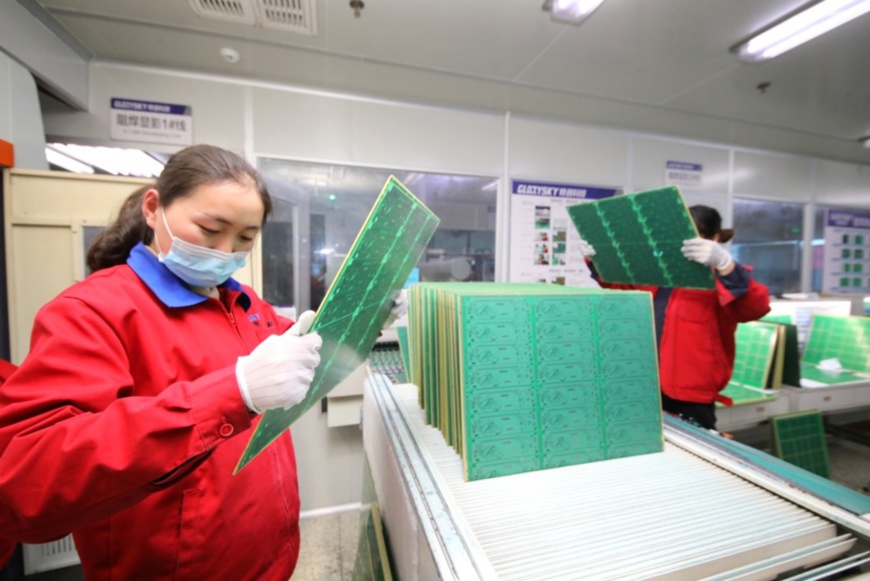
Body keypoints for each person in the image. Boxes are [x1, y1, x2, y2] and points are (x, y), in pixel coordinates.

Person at [0, 145, 405, 580]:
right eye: (211, 229)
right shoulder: (93, 312)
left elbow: (310, 342)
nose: (225, 251)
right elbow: (25, 480)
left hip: (268, 562)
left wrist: (366, 314)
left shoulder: (245, 303)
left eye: (246, 238)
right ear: (154, 209)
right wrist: (233, 394)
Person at [580, 205, 770, 431]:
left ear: (714, 239)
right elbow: (620, 287)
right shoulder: (659, 273)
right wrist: (599, 259)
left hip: (690, 394)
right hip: (646, 384)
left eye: (695, 237)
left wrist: (725, 265)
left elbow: (754, 308)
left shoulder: (721, 280)